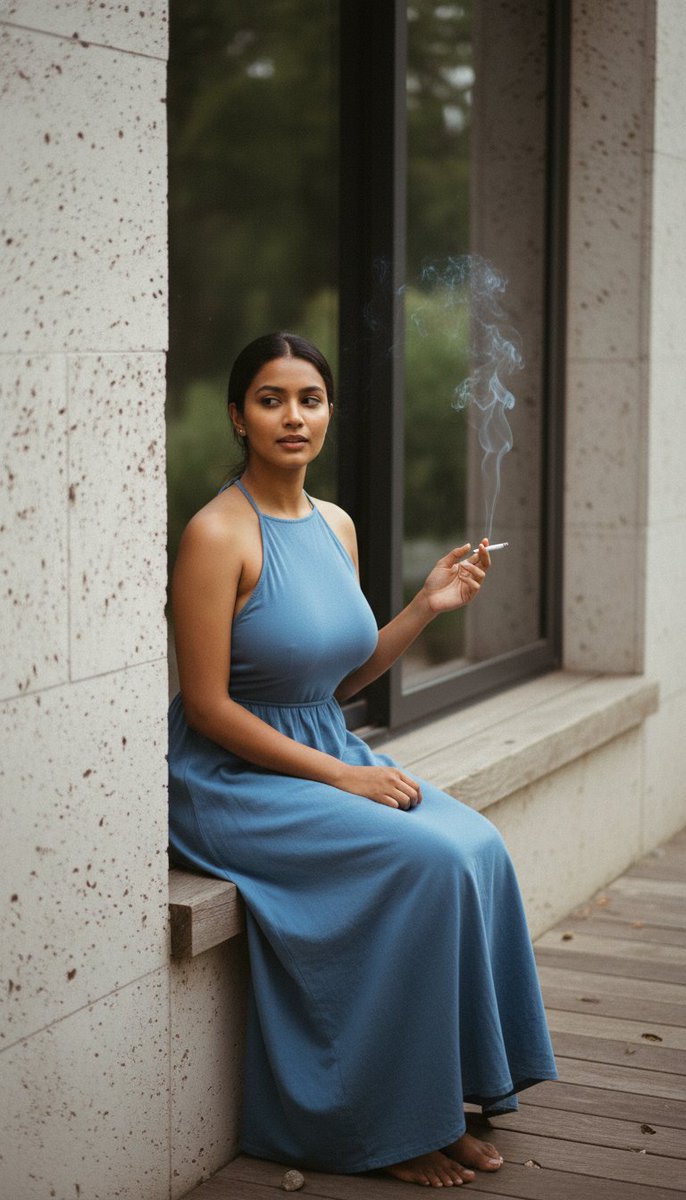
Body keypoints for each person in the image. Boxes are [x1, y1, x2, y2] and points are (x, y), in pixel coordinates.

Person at [168, 332, 557, 1189]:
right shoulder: (215, 534)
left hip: (321, 744)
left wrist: (426, 604)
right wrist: (345, 776)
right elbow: (207, 705)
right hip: (232, 778)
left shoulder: (333, 523)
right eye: (270, 399)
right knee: (426, 860)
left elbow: (337, 677)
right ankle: (382, 1125)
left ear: (330, 413)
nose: (292, 416)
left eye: (309, 398)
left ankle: (445, 1098)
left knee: (477, 846)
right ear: (238, 417)